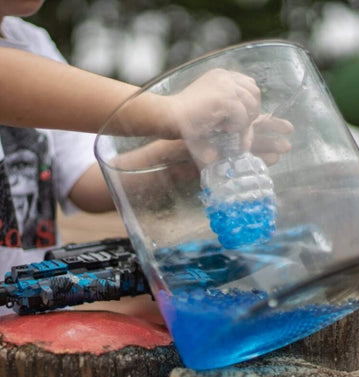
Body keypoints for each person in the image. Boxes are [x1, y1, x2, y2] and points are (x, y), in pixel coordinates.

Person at [0, 1, 293, 315]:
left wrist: (188, 151)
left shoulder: (34, 44)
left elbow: (88, 184)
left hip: (25, 324)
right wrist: (170, 111)